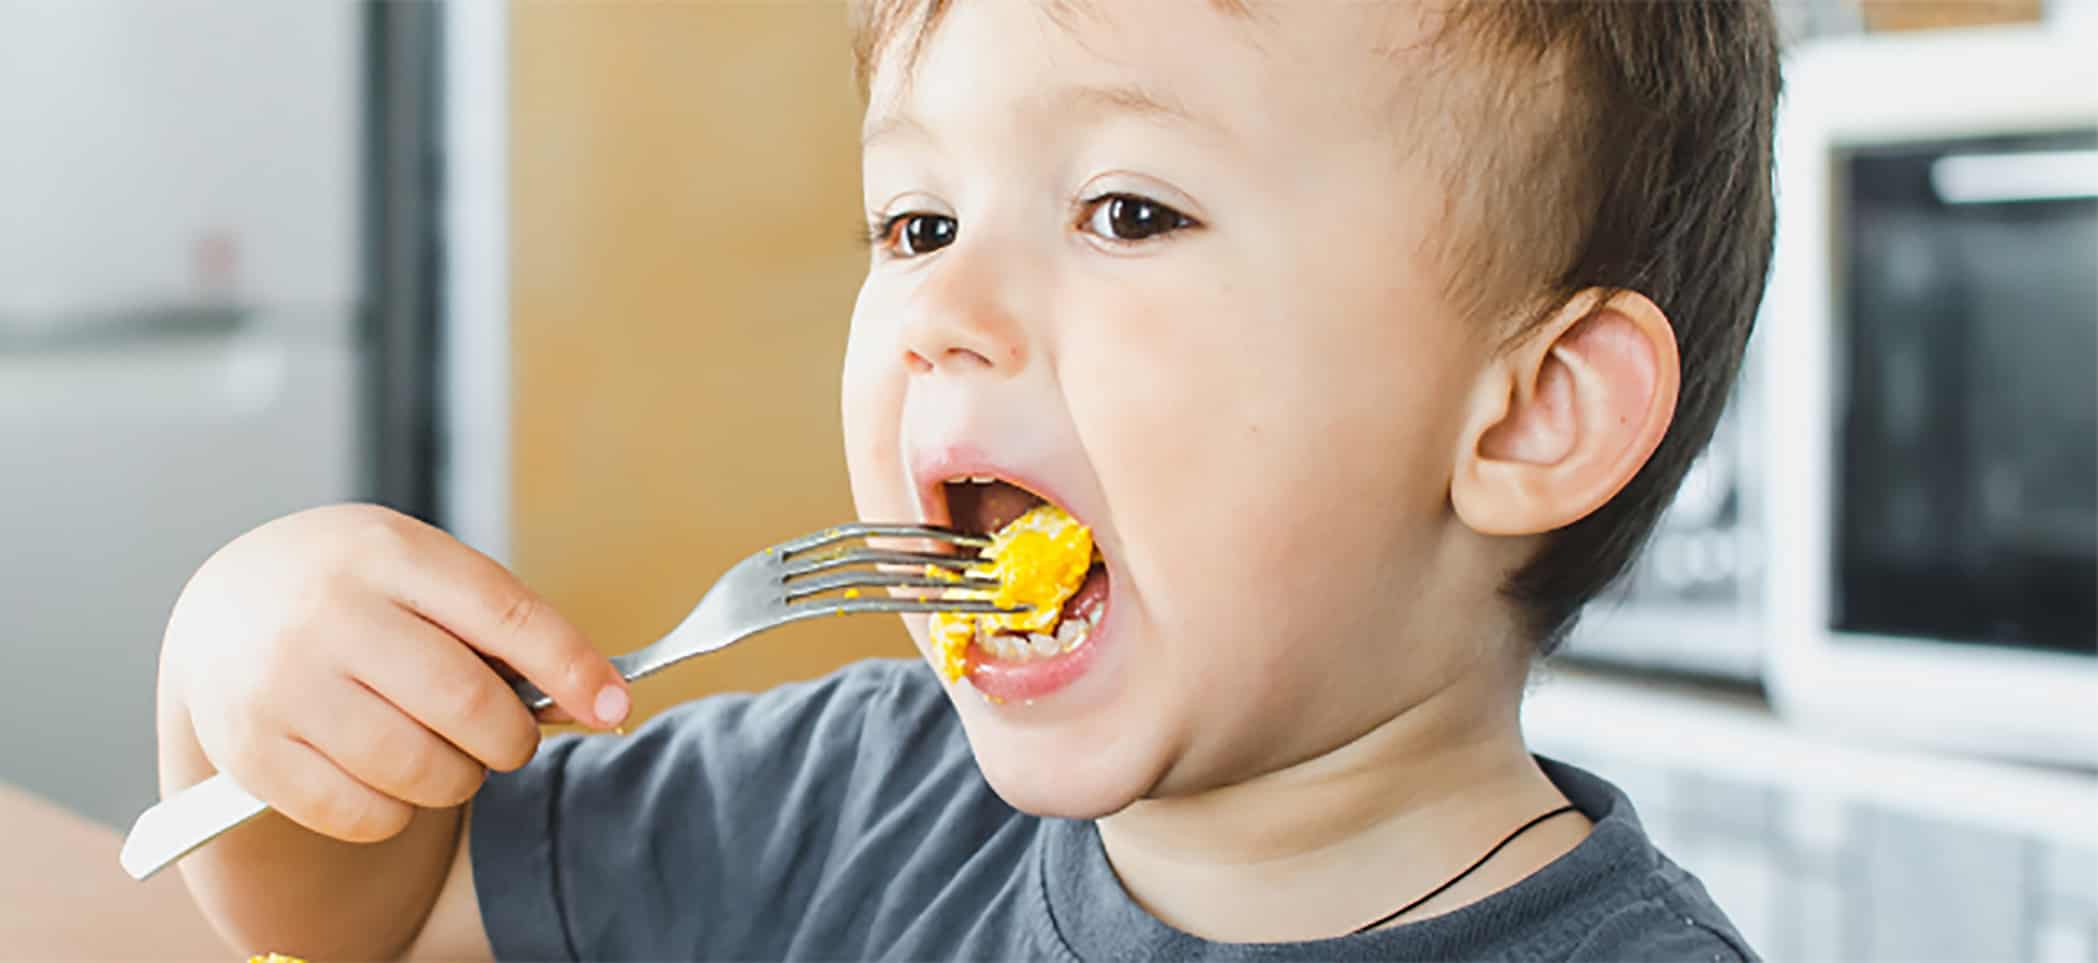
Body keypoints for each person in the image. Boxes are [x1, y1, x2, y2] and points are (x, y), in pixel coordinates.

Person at [154, 1, 1778, 959]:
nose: (937, 312)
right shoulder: (849, 801)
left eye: (1128, 213)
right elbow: (380, 911)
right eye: (916, 224)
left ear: (1529, 413)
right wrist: (247, 657)